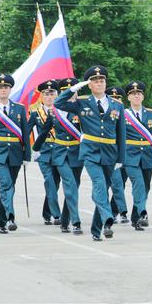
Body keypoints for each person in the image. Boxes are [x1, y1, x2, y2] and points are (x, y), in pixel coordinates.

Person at [54, 65, 126, 241]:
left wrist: (121, 158)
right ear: (90, 85)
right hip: (90, 152)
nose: (99, 84)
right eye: (95, 81)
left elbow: (121, 134)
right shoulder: (82, 103)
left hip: (110, 153)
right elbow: (58, 103)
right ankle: (108, 220)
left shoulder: (117, 105)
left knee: (103, 189)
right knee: (99, 183)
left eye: (102, 81)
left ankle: (96, 230)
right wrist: (74, 88)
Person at [0, 73, 31, 234]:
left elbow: (25, 132)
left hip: (15, 154)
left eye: (6, 87)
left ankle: (1, 221)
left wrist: (26, 157)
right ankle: (10, 217)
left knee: (10, 187)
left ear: (10, 89)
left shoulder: (19, 109)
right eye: (0, 87)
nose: (3, 90)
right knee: (6, 184)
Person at [35, 78, 84, 235]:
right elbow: (44, 131)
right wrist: (35, 149)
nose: (71, 95)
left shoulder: (82, 109)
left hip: (77, 154)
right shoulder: (54, 112)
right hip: (60, 154)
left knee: (73, 188)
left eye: (73, 91)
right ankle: (75, 221)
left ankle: (64, 221)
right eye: (66, 92)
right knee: (69, 185)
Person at [123, 81, 152, 229]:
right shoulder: (123, 115)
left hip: (147, 156)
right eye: (133, 94)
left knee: (145, 187)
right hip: (130, 156)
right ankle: (143, 213)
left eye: (139, 94)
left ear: (143, 96)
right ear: (128, 98)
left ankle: (136, 218)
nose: (136, 96)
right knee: (138, 184)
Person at [28, 80, 62, 225]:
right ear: (41, 95)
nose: (49, 97)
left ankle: (46, 213)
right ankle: (57, 215)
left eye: (52, 93)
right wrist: (26, 149)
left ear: (57, 95)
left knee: (55, 183)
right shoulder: (35, 113)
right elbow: (26, 131)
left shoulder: (61, 111)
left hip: (60, 151)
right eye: (46, 94)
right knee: (49, 182)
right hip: (43, 152)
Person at [107, 86, 130, 224]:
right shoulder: (105, 114)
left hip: (127, 154)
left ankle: (115, 211)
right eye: (113, 98)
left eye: (118, 98)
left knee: (121, 185)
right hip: (110, 154)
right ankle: (122, 211)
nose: (116, 100)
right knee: (116, 184)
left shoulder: (128, 115)